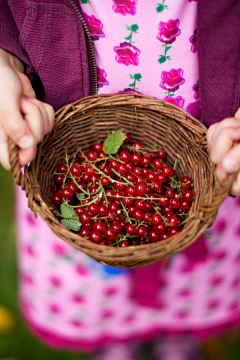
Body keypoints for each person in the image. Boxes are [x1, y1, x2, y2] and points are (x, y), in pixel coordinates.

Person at [1, 0, 240, 359]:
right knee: (94, 286)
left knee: (190, 283)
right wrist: (5, 57)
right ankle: (113, 341)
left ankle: (179, 337)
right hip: (61, 152)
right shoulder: (78, 188)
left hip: (216, 161)